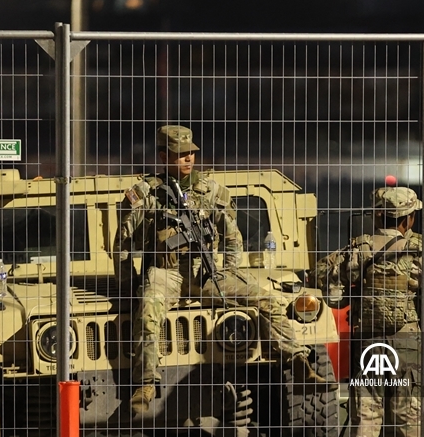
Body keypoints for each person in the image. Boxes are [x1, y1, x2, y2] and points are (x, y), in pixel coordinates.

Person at [113, 125, 321, 415]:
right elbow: (122, 244)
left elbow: (233, 237)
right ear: (163, 156)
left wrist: (231, 271)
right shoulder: (146, 194)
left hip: (205, 274)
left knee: (268, 299)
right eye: (180, 154)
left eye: (191, 153)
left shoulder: (211, 191)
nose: (188, 159)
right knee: (147, 311)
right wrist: (128, 286)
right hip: (165, 273)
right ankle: (146, 383)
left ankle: (297, 360)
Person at [314, 186, 424, 437]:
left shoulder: (358, 249)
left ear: (377, 216)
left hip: (370, 344)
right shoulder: (421, 251)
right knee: (410, 415)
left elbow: (331, 293)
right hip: (408, 344)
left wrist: (356, 294)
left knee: (365, 415)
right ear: (409, 219)